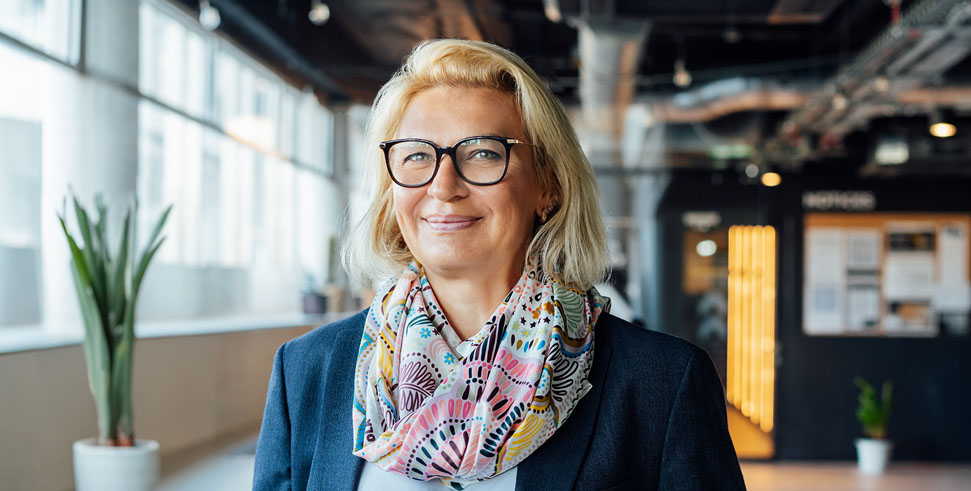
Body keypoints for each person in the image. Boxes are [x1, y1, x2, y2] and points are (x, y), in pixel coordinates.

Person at [253, 39, 745, 491]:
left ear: (548, 186)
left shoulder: (662, 383)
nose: (443, 186)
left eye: (483, 154)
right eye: (417, 156)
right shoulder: (308, 371)